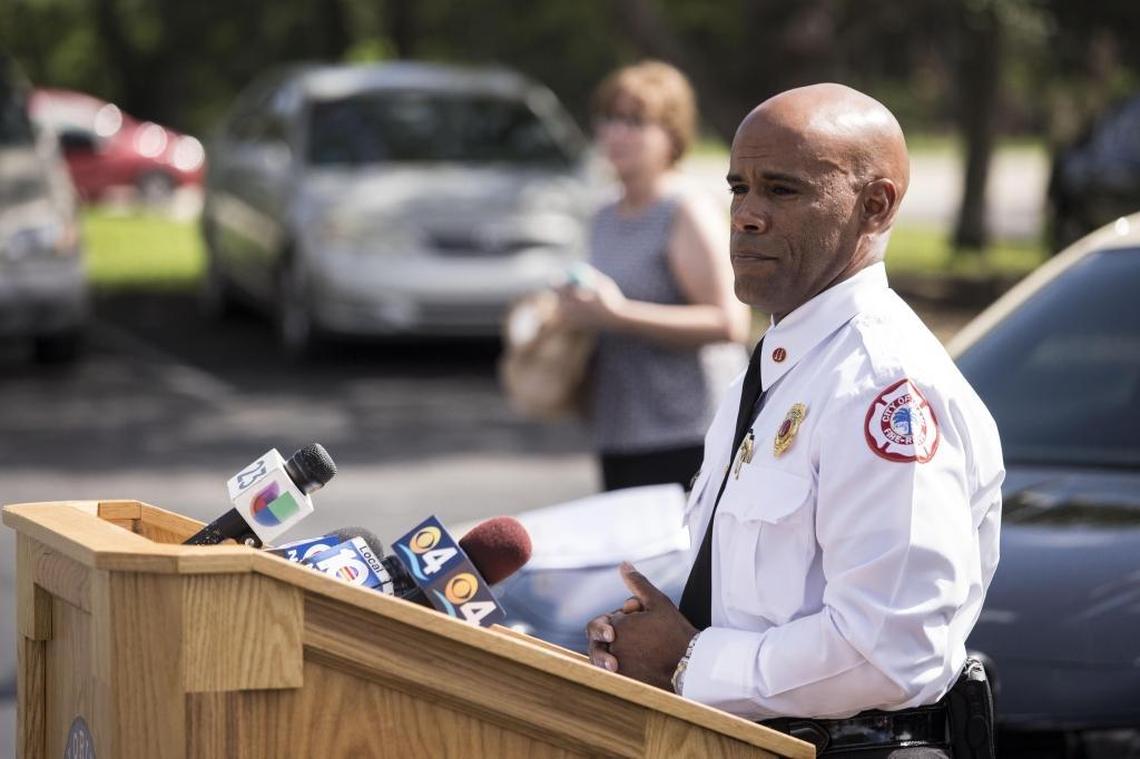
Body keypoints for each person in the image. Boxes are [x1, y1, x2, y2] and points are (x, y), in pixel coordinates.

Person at [585, 83, 1004, 758]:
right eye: (738, 188)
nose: (746, 215)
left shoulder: (881, 386)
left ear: (876, 205)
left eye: (782, 191)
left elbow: (891, 649)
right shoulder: (786, 362)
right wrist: (651, 632)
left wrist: (691, 661)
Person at [557, 61, 750, 492]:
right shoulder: (604, 212)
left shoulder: (685, 209)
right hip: (619, 429)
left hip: (688, 433)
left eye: (635, 122)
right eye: (609, 119)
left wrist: (619, 315)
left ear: (672, 134)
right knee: (627, 560)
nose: (617, 134)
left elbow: (730, 323)